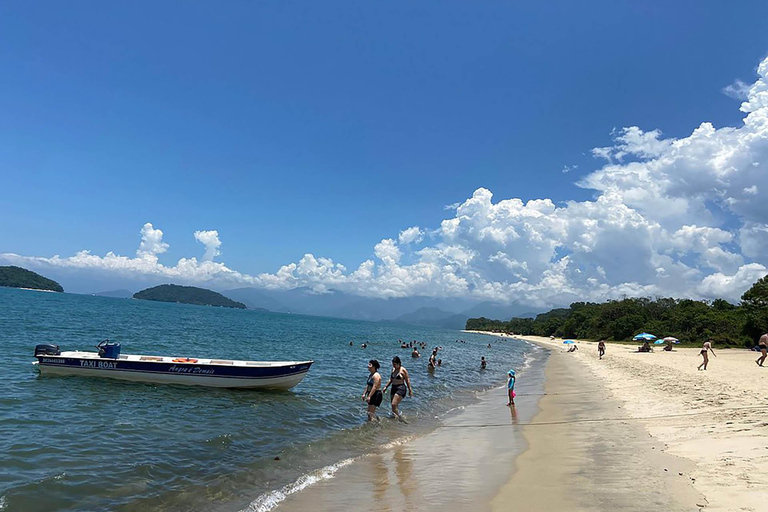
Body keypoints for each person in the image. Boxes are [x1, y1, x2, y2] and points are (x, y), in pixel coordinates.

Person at [382, 356, 413, 421]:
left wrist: (410, 390)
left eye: (394, 364)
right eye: (393, 364)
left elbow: (407, 380)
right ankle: (395, 420)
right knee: (393, 406)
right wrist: (386, 387)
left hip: (401, 388)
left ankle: (399, 419)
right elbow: (391, 379)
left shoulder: (403, 370)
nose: (393, 366)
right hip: (393, 388)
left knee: (393, 404)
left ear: (398, 363)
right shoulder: (393, 369)